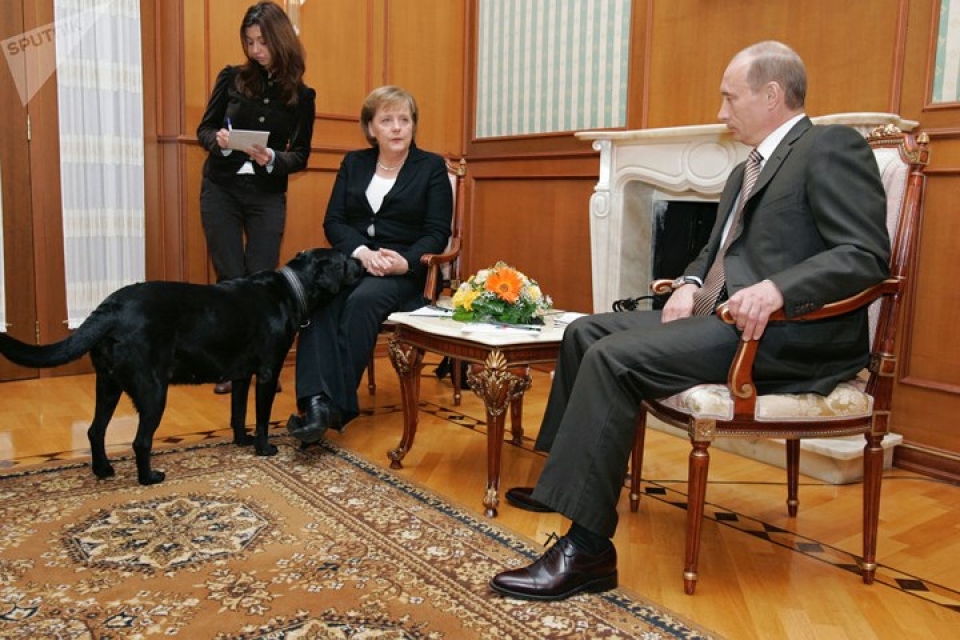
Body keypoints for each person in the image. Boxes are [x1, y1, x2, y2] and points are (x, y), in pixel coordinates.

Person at [490, 41, 891, 601]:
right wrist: (688, 284)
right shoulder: (744, 171)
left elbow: (865, 255)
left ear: (772, 95)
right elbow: (715, 251)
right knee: (586, 331)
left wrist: (778, 289)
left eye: (730, 98)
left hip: (785, 334)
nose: (722, 112)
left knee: (614, 358)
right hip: (725, 321)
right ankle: (564, 479)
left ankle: (587, 552)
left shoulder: (828, 147)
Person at [287, 85, 453, 441]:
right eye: (387, 120)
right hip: (356, 262)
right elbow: (334, 221)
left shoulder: (431, 167)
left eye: (404, 120)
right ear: (370, 128)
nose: (397, 128)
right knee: (318, 300)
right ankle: (316, 402)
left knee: (363, 300)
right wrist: (362, 252)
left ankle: (336, 406)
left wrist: (403, 263)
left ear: (413, 126)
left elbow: (437, 232)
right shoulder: (354, 163)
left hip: (405, 272)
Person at [196, 2, 316, 394]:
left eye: (262, 41)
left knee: (263, 280)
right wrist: (222, 142)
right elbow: (206, 129)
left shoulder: (301, 95)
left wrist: (272, 158)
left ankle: (264, 365)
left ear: (279, 40)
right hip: (222, 189)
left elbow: (300, 155)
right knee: (230, 278)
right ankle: (230, 366)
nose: (255, 50)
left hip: (266, 194)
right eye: (249, 42)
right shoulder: (231, 78)